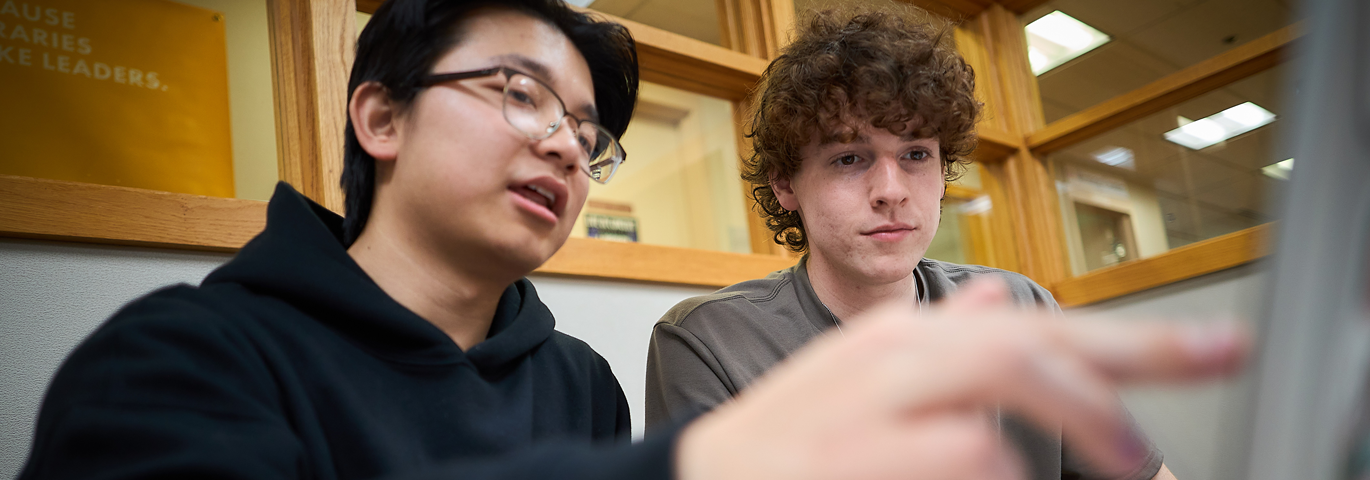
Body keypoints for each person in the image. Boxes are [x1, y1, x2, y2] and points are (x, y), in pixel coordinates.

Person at [18, 0, 1245, 479]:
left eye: (586, 128)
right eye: (516, 92)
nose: (562, 142)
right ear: (378, 115)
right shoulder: (180, 357)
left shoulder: (576, 385)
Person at [644, 6, 1176, 480]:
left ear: (945, 171)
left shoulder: (1021, 308)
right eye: (849, 158)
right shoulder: (709, 342)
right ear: (786, 184)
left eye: (916, 155)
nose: (892, 192)